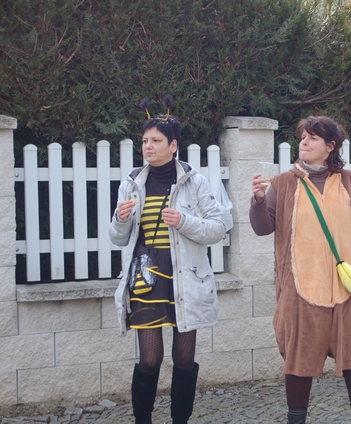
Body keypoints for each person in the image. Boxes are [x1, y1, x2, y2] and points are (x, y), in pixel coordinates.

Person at [249, 116, 351, 424]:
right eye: (303, 137)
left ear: (330, 146)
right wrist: (259, 200)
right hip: (300, 291)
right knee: (298, 361)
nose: (304, 142)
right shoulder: (283, 183)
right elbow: (263, 228)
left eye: (312, 138)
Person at [110, 96, 226, 424]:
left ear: (173, 146)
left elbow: (218, 229)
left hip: (185, 280)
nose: (148, 146)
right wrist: (120, 219)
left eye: (156, 141)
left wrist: (184, 221)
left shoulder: (195, 182)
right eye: (145, 140)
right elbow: (118, 238)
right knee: (150, 359)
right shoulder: (132, 183)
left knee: (184, 359)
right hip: (146, 280)